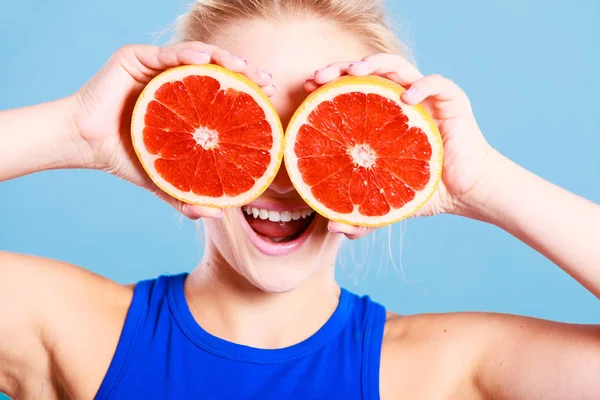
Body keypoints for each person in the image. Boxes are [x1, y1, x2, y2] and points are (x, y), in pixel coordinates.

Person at [1, 0, 599, 398]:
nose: (283, 176)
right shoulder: (75, 332)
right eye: (253, 128)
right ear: (191, 138)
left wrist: (483, 182)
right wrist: (74, 131)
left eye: (317, 132)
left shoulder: (438, 370)